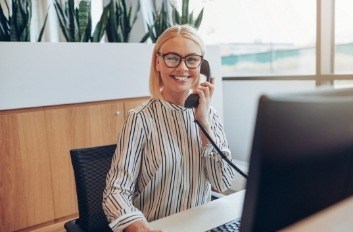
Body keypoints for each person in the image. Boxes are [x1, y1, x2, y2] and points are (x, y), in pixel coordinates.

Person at [102, 24, 237, 232]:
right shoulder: (140, 118)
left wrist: (204, 125)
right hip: (156, 227)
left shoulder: (209, 115)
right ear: (158, 62)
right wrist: (135, 224)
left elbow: (223, 181)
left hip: (201, 225)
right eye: (172, 58)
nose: (183, 68)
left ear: (202, 66)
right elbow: (115, 190)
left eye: (192, 59)